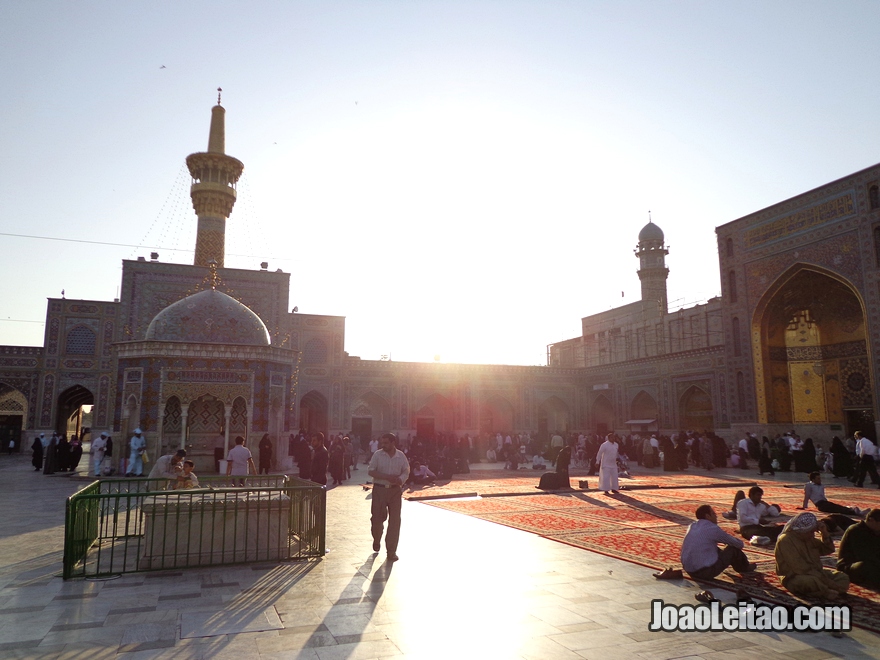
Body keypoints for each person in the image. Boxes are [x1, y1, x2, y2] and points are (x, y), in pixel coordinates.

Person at [775, 512, 849, 601]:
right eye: (811, 532)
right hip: (794, 577)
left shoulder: (808, 538)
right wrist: (826, 581)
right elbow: (799, 568)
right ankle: (825, 592)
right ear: (801, 531)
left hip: (817, 573)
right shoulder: (786, 540)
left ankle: (825, 590)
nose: (813, 534)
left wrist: (824, 533)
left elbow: (828, 549)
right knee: (810, 582)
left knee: (842, 577)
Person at [681, 504, 756, 579]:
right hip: (704, 572)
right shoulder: (712, 528)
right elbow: (738, 544)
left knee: (711, 547)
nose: (716, 516)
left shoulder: (692, 526)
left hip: (689, 570)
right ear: (707, 516)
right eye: (713, 514)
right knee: (732, 549)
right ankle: (745, 567)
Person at [368, 433, 410, 561]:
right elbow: (371, 471)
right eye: (383, 443)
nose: (383, 445)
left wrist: (400, 479)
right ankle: (377, 538)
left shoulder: (400, 456)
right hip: (380, 490)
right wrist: (386, 477)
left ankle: (391, 551)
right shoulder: (378, 455)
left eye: (386, 443)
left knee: (395, 521)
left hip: (395, 491)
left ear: (393, 443)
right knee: (377, 519)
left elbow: (406, 470)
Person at [837, 508, 880, 590]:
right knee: (865, 566)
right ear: (871, 520)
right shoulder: (856, 530)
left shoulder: (875, 531)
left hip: (872, 562)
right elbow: (863, 556)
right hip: (850, 566)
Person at [800, 472, 864, 516]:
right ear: (813, 479)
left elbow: (822, 496)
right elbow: (807, 496)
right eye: (818, 479)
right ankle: (853, 511)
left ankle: (853, 510)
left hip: (824, 502)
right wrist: (804, 506)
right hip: (820, 504)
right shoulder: (809, 485)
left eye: (820, 478)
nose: (820, 480)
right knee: (837, 509)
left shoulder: (821, 485)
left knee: (837, 507)